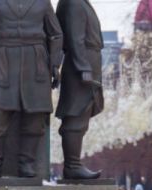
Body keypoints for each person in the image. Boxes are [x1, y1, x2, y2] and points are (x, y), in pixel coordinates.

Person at [0, 0, 62, 178]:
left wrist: (55, 64)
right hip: (6, 59)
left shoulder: (43, 2)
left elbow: (56, 34)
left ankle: (27, 163)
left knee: (35, 116)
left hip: (35, 60)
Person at [55, 0, 104, 179]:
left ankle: (74, 164)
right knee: (76, 114)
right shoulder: (73, 3)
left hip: (88, 62)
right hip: (80, 67)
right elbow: (75, 38)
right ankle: (72, 165)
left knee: (82, 114)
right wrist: (84, 67)